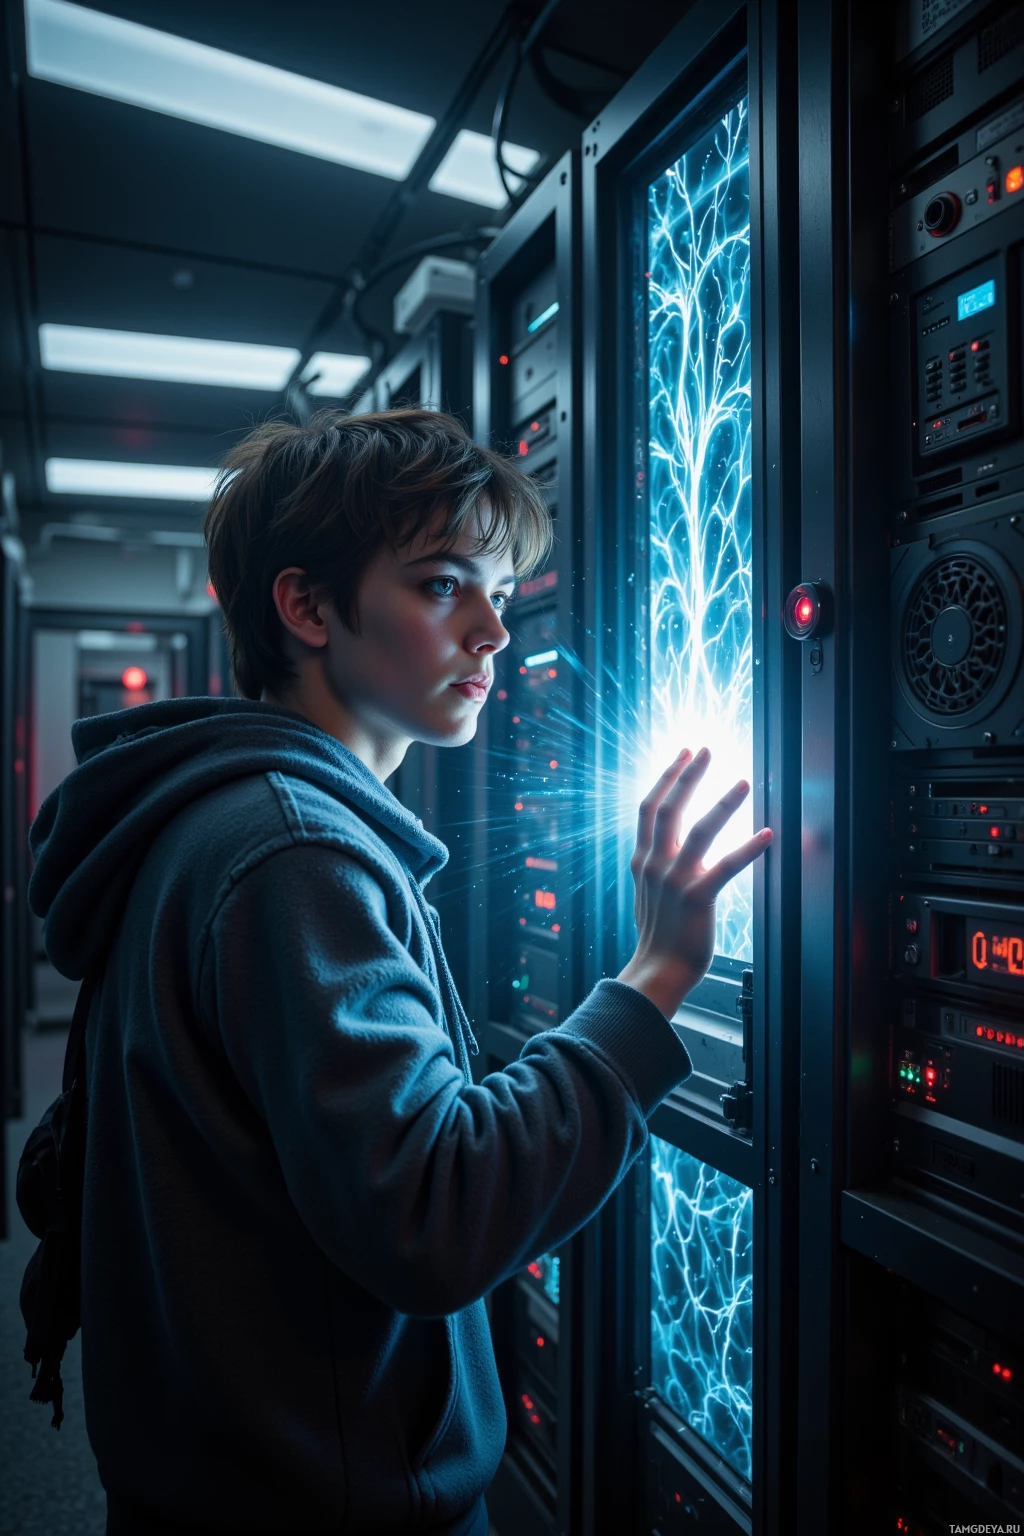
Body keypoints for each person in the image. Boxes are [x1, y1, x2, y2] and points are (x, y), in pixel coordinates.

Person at [28, 409, 772, 1536]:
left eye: (498, 594)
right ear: (306, 605)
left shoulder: (217, 820)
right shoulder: (294, 855)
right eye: (440, 587)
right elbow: (433, 1214)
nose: (492, 634)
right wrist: (658, 972)